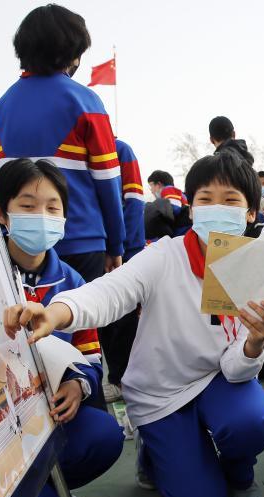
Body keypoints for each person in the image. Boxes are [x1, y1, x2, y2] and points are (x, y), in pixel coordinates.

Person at [3, 152, 264, 497]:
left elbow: (236, 368)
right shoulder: (163, 257)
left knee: (251, 421)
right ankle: (154, 449)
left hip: (218, 380)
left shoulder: (256, 267)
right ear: (192, 210)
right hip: (162, 392)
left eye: (230, 200)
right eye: (205, 199)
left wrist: (255, 343)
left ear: (251, 212)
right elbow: (110, 292)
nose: (217, 209)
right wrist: (55, 312)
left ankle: (239, 472)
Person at [0, 158, 123, 497]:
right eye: (28, 206)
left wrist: (76, 385)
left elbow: (89, 352)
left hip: (45, 418)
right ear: (1, 212)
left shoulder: (72, 281)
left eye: (52, 208)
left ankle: (49, 488)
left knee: (105, 434)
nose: (41, 216)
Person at [0, 4, 125, 283]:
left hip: (16, 246)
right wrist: (115, 244)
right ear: (72, 52)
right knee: (82, 323)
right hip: (82, 243)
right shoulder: (86, 103)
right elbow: (108, 181)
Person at [101, 138, 145, 400]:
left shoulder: (120, 150)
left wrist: (123, 247)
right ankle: (115, 377)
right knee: (103, 318)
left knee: (125, 317)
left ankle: (125, 379)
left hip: (123, 250)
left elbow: (135, 201)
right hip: (97, 246)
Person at [144, 170, 190, 240]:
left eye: (151, 185)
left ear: (159, 184)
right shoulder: (174, 192)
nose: (151, 190)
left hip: (183, 227)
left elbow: (174, 208)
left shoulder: (168, 189)